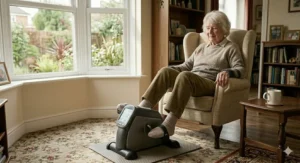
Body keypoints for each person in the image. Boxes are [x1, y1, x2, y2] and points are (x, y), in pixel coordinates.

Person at [117, 10, 245, 139]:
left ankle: (169, 124)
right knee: (165, 71)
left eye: (214, 29)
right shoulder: (201, 48)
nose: (210, 32)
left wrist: (226, 72)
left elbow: (240, 68)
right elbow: (185, 66)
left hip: (210, 84)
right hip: (191, 80)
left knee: (185, 76)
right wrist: (169, 70)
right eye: (207, 28)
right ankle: (141, 110)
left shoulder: (230, 48)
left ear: (224, 29)